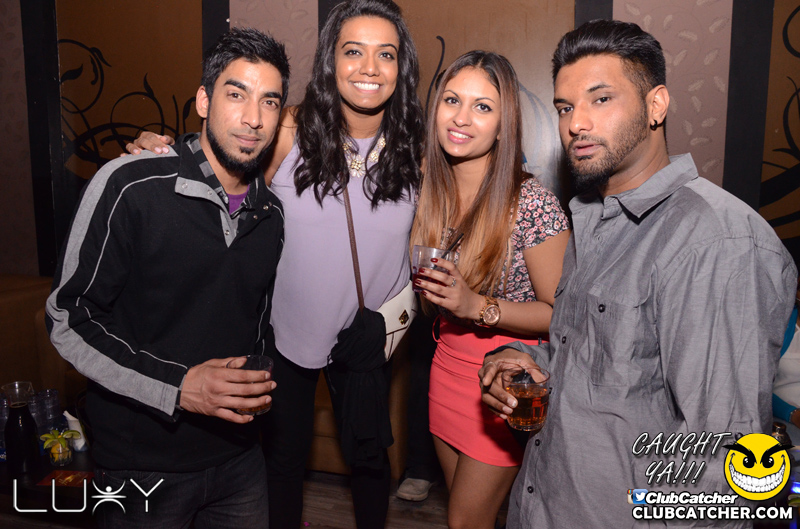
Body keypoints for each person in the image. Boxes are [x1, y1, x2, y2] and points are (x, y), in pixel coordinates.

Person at [479, 20, 799, 528]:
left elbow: (724, 463)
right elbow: (605, 362)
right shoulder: (593, 218)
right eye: (565, 107)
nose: (576, 123)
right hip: (545, 503)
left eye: (601, 99)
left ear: (656, 105)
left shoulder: (715, 243)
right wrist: (524, 358)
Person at [129, 2, 424, 527]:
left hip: (368, 336)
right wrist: (163, 152)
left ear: (402, 67)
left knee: (369, 460)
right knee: (283, 462)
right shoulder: (291, 129)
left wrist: (393, 324)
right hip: (287, 332)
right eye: (353, 51)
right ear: (331, 60)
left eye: (386, 54)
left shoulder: (416, 150)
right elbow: (223, 165)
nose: (369, 67)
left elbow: (432, 256)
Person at [46, 28, 289, 528]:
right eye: (236, 94)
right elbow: (68, 320)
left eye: (269, 101)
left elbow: (257, 327)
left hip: (240, 461)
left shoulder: (271, 214)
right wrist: (178, 387)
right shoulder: (130, 185)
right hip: (141, 466)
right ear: (203, 101)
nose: (253, 118)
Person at [412, 51, 570, 529]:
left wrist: (477, 306)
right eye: (452, 100)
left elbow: (563, 314)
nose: (461, 118)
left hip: (504, 379)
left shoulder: (532, 203)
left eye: (482, 107)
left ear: (504, 126)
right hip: (445, 367)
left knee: (464, 521)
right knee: (466, 516)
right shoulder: (429, 192)